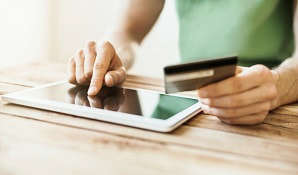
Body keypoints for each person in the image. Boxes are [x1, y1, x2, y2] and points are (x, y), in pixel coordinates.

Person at [67, 0, 298, 125]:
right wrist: (111, 55)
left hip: (267, 106)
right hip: (183, 102)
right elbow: (127, 30)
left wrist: (277, 86)